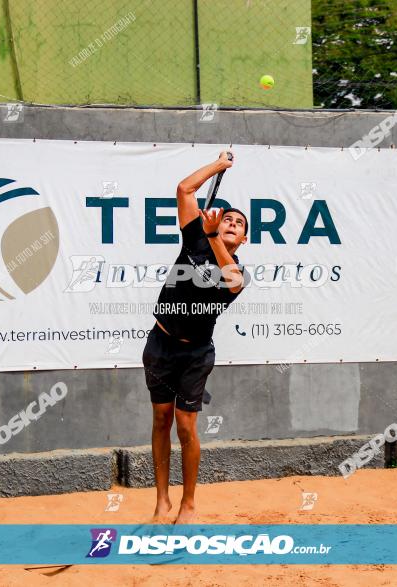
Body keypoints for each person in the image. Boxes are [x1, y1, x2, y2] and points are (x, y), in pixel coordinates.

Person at [142, 150, 248, 524]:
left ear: (244, 239)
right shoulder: (194, 239)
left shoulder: (237, 271)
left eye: (239, 223)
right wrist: (218, 167)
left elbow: (230, 279)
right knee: (160, 420)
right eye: (228, 218)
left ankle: (188, 504)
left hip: (196, 353)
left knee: (185, 426)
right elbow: (185, 189)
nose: (232, 222)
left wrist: (213, 235)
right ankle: (161, 501)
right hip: (160, 343)